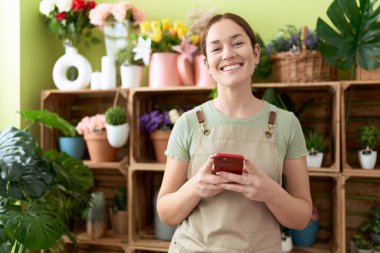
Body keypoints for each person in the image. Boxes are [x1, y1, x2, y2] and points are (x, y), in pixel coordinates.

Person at [157, 13, 312, 252]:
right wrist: (196, 187)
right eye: (216, 48)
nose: (228, 54)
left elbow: (301, 217)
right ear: (207, 64)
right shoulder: (188, 123)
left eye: (238, 43)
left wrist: (268, 191)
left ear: (256, 53)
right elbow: (166, 214)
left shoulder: (286, 124)